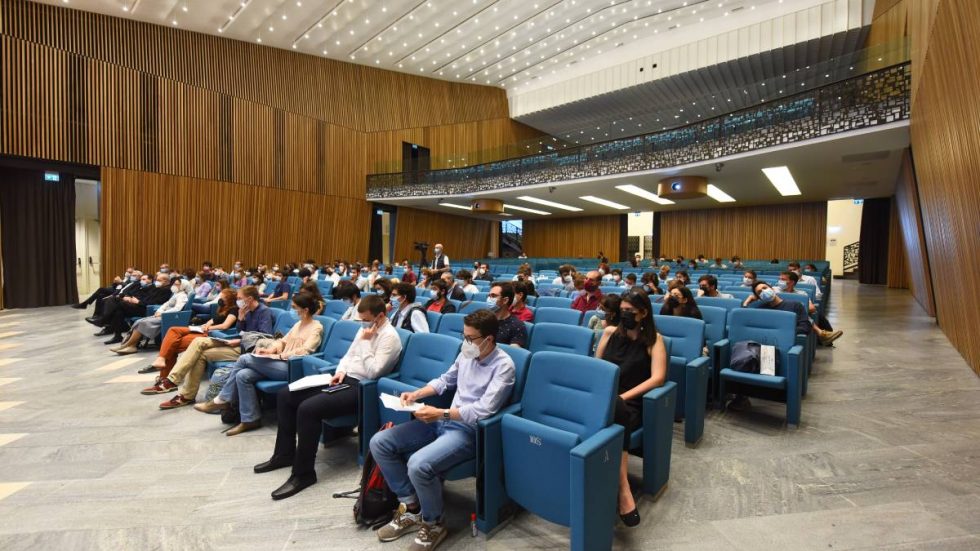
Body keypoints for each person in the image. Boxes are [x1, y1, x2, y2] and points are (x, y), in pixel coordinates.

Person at [369, 310, 515, 550]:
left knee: (418, 464)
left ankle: (434, 522)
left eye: (470, 338)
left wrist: (440, 413)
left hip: (467, 431)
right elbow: (445, 380)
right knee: (380, 442)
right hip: (442, 420)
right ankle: (412, 506)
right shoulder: (468, 351)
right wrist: (418, 393)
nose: (465, 342)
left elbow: (483, 410)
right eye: (464, 335)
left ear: (488, 339)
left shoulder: (504, 366)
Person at [254, 294, 402, 500]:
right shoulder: (364, 329)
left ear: (380, 316)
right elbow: (348, 356)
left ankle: (303, 474)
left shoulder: (390, 337)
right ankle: (284, 454)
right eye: (361, 320)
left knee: (308, 409)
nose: (363, 323)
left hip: (361, 388)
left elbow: (373, 372)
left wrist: (367, 343)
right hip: (342, 378)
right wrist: (341, 370)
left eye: (367, 319)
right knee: (285, 395)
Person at [194, 293, 324, 435]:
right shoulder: (298, 323)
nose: (292, 311)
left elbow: (305, 350)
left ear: (305, 310)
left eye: (294, 308)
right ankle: (250, 419)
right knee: (243, 375)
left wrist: (278, 355)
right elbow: (282, 341)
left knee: (244, 359)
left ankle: (224, 398)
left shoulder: (316, 327)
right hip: (279, 362)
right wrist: (269, 350)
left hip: (293, 367)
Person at [596, 290, 667, 527]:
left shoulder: (654, 340)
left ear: (644, 313)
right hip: (603, 396)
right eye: (622, 311)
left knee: (617, 408)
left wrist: (622, 396)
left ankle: (623, 487)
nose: (624, 315)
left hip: (630, 403)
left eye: (630, 312)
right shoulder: (608, 332)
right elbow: (595, 366)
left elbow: (658, 378)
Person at [155, 286, 274, 408]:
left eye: (239, 298)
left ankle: (185, 394)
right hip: (238, 342)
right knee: (198, 341)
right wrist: (241, 318)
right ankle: (175, 384)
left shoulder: (263, 311)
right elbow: (241, 331)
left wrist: (238, 341)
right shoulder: (246, 310)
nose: (237, 301)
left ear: (249, 299)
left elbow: (265, 336)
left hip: (247, 350)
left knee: (201, 353)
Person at [138, 288, 238, 385]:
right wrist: (205, 325)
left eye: (223, 297)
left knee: (173, 343)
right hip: (204, 330)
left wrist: (209, 328)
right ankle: (162, 365)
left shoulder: (234, 309)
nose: (220, 299)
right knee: (173, 331)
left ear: (229, 299)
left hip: (212, 334)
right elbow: (212, 321)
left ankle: (163, 373)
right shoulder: (221, 308)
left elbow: (225, 326)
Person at [110, 276, 193, 354]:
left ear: (183, 286)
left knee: (143, 323)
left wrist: (162, 313)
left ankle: (131, 345)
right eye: (174, 284)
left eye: (177, 284)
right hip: (162, 315)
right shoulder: (176, 294)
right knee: (139, 321)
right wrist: (159, 310)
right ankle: (127, 345)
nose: (174, 285)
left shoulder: (182, 296)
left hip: (169, 317)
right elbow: (166, 304)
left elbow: (177, 309)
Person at [89, 272, 173, 344]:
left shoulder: (166, 290)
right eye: (156, 280)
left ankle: (102, 320)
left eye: (158, 280)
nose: (156, 282)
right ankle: (117, 336)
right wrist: (132, 299)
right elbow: (145, 297)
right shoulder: (157, 288)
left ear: (166, 281)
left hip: (147, 310)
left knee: (115, 300)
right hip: (140, 305)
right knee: (118, 311)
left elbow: (155, 303)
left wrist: (138, 302)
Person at [775, 271, 842, 345]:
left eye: (783, 279)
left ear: (792, 282)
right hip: (777, 316)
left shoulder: (802, 294)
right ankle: (821, 333)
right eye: (779, 279)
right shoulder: (774, 290)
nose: (779, 281)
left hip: (796, 318)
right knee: (799, 311)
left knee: (800, 312)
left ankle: (822, 334)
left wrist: (797, 310)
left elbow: (812, 308)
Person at [73, 267, 138, 310]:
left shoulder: (131, 280)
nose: (127, 273)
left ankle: (85, 304)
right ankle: (96, 315)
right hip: (114, 290)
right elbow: (114, 286)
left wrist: (121, 282)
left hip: (118, 292)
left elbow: (127, 287)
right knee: (100, 295)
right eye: (127, 271)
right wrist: (115, 282)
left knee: (101, 289)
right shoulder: (125, 278)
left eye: (129, 272)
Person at [487, 282, 527, 347]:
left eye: (493, 296)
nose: (489, 299)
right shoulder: (484, 320)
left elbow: (513, 353)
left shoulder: (517, 326)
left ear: (505, 300)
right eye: (489, 296)